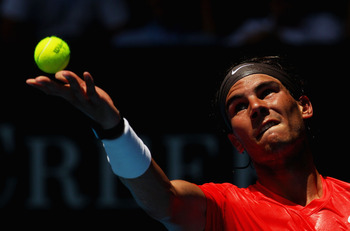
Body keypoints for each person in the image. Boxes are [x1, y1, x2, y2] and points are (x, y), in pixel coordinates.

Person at [26, 56, 350, 230]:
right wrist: (112, 128)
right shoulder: (224, 209)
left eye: (266, 91)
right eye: (238, 106)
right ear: (236, 142)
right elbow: (163, 200)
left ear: (304, 106)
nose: (256, 106)